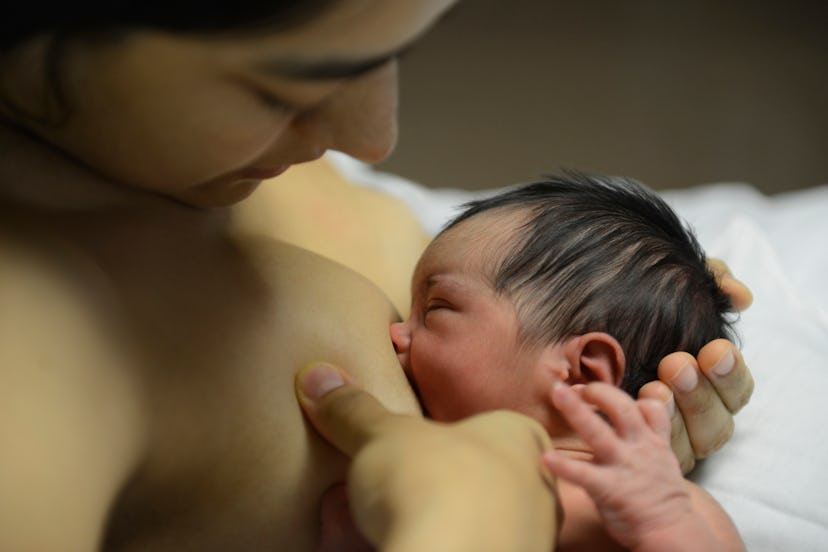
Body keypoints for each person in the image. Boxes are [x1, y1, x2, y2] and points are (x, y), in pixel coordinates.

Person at [0, 2, 753, 550]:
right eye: (287, 84)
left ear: (586, 367)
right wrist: (461, 530)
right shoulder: (39, 356)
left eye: (396, 47)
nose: (372, 140)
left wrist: (651, 490)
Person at [388, 174, 745, 550]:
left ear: (584, 372)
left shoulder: (656, 504)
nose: (395, 332)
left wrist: (664, 522)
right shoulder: (442, 464)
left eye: (436, 308)